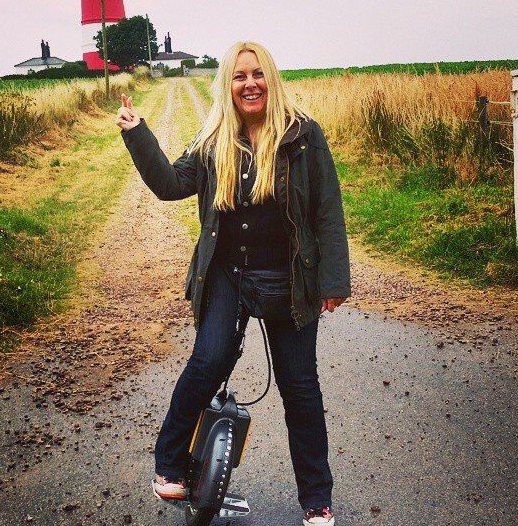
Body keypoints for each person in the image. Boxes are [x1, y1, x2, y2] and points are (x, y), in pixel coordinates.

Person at [116, 41, 350, 526]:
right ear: (228, 84)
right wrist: (137, 133)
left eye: (257, 74)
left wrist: (333, 279)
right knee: (208, 361)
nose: (250, 84)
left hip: (289, 279)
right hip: (229, 274)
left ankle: (317, 499)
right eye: (240, 76)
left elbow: (327, 209)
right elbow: (170, 185)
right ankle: (170, 464)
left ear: (271, 79)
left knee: (300, 387)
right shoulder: (213, 138)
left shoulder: (303, 134)